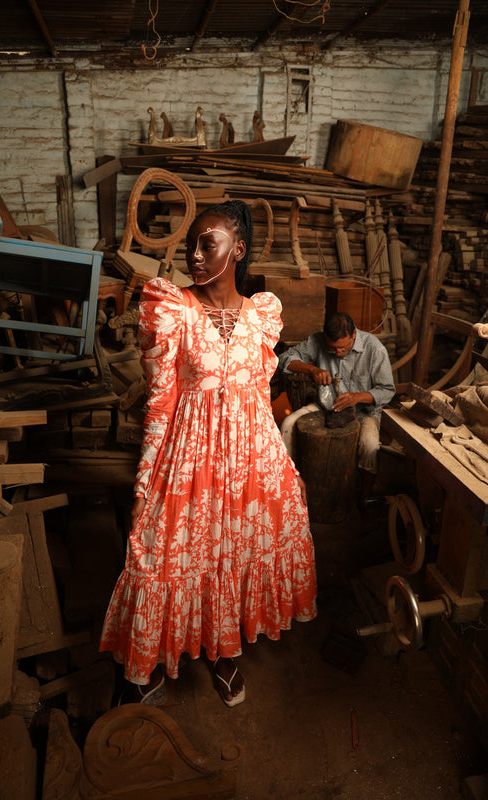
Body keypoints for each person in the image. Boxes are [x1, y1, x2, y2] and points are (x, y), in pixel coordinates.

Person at [100, 199, 317, 708]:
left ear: (237, 250)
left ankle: (224, 656)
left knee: (237, 552)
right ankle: (149, 660)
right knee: (161, 553)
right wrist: (145, 482)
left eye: (207, 243)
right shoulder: (172, 307)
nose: (194, 255)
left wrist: (286, 465)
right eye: (191, 245)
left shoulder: (262, 315)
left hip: (252, 460)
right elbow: (159, 404)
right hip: (191, 459)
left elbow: (260, 401)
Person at [278, 311, 395, 508]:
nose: (338, 353)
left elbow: (387, 390)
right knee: (288, 424)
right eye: (333, 349)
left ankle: (364, 498)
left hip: (363, 412)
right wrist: (312, 369)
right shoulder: (317, 341)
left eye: (344, 348)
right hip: (326, 405)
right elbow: (284, 359)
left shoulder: (375, 349)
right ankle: (290, 487)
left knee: (370, 445)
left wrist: (357, 397)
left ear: (354, 334)